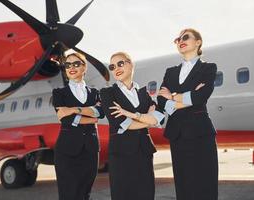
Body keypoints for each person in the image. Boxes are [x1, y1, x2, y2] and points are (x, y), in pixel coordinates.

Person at [157, 28, 218, 200]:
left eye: (185, 37)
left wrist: (173, 96)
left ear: (198, 42)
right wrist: (184, 98)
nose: (180, 40)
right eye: (177, 39)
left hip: (201, 133)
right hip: (177, 134)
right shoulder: (170, 72)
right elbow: (162, 102)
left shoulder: (208, 68)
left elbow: (201, 96)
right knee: (183, 186)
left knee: (205, 184)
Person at [100, 52, 165, 200]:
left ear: (131, 64)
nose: (116, 68)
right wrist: (146, 119)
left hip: (144, 151)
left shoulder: (144, 94)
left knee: (146, 194)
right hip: (121, 153)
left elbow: (158, 120)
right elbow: (122, 124)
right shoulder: (107, 93)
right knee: (123, 195)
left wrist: (133, 115)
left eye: (120, 63)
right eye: (112, 66)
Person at [52, 52, 105, 200]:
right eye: (68, 65)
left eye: (76, 64)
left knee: (84, 193)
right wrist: (90, 117)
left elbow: (100, 113)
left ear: (84, 68)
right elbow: (65, 119)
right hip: (67, 151)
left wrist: (74, 110)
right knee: (68, 194)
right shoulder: (59, 93)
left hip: (90, 149)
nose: (71, 67)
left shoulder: (95, 93)